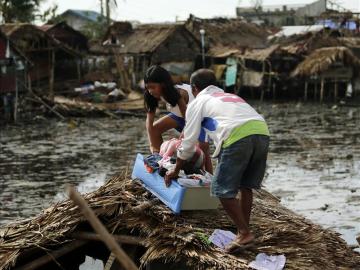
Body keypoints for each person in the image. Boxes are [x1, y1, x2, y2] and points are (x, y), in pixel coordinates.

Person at [165, 69, 270, 252]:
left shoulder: (198, 102)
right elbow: (204, 139)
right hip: (262, 132)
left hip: (237, 135)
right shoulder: (228, 96)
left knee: (221, 190)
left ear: (194, 88)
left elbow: (189, 143)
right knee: (246, 186)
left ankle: (244, 233)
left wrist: (175, 169)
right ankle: (243, 231)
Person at [144, 65, 212, 173]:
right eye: (148, 87)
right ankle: (160, 158)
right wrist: (153, 146)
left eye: (153, 87)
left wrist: (183, 140)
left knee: (203, 148)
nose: (150, 91)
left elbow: (188, 120)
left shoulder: (179, 93)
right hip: (179, 116)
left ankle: (208, 178)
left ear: (163, 84)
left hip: (197, 118)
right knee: (155, 128)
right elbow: (149, 122)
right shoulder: (150, 95)